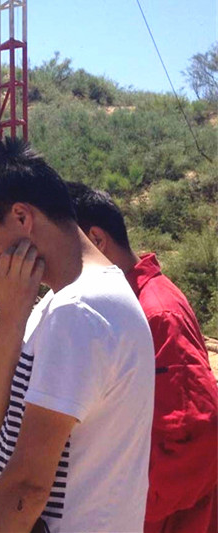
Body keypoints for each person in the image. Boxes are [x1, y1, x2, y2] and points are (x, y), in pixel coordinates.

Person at [0, 139, 155, 533]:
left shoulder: (78, 312)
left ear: (21, 216)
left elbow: (27, 486)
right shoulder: (55, 303)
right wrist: (11, 315)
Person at [68, 182, 218, 533]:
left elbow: (195, 437)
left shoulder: (157, 313)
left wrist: (125, 507)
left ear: (96, 239)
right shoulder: (129, 304)